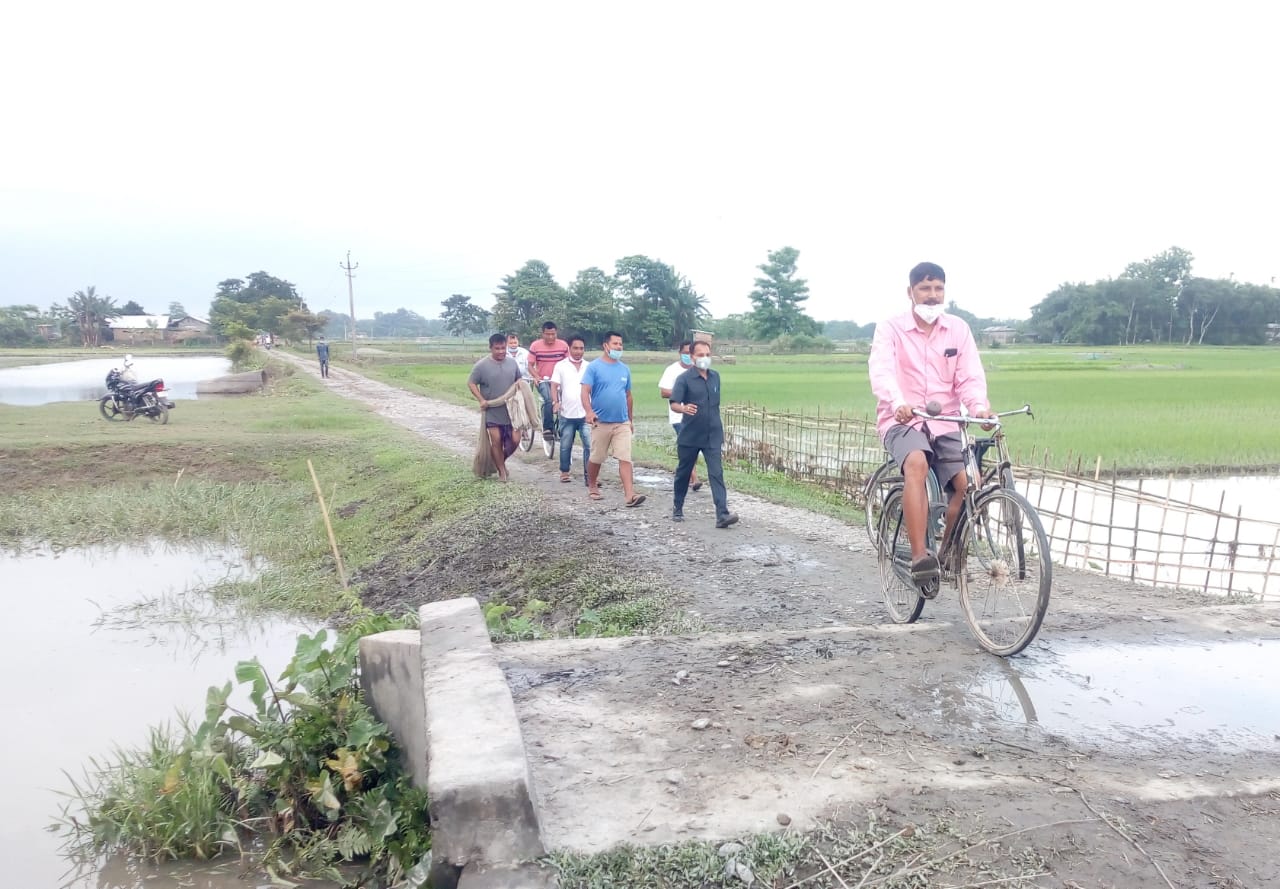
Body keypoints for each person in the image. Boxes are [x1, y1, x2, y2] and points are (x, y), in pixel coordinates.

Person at [868, 261, 993, 591]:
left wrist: (978, 406)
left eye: (938, 289)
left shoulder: (958, 330)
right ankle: (921, 558)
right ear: (910, 292)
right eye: (925, 289)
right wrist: (897, 402)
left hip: (947, 421)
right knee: (917, 463)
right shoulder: (891, 329)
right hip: (902, 420)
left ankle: (947, 550)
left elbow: (969, 376)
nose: (932, 296)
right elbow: (882, 372)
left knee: (969, 485)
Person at [669, 340, 738, 528]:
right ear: (692, 357)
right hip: (690, 434)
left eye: (707, 354)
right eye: (700, 355)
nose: (705, 358)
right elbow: (674, 402)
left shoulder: (715, 377)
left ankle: (722, 514)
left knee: (716, 473)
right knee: (684, 472)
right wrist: (683, 408)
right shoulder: (684, 379)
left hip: (713, 433)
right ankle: (677, 507)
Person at [581, 331, 646, 507]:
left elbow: (628, 396)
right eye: (615, 344)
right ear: (606, 346)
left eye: (621, 344)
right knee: (597, 457)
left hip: (622, 422)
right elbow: (585, 391)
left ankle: (630, 495)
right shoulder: (594, 367)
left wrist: (630, 420)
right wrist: (588, 411)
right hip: (601, 421)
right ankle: (593, 485)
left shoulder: (624, 369)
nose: (619, 347)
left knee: (625, 457)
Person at [469, 333, 523, 481]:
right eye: (497, 348)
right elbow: (471, 383)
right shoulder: (481, 366)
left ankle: (498, 461)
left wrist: (520, 388)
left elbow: (519, 379)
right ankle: (502, 472)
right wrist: (481, 399)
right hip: (492, 409)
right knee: (496, 440)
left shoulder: (512, 363)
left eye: (503, 348)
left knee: (515, 440)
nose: (500, 351)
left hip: (511, 409)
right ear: (490, 348)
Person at [658, 340, 702, 492]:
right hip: (679, 416)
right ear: (680, 353)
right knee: (688, 446)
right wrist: (683, 392)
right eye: (685, 353)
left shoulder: (700, 370)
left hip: (697, 417)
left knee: (694, 447)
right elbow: (664, 392)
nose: (688, 356)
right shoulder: (672, 370)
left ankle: (685, 473)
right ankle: (694, 478)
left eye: (690, 353)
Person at [550, 334, 591, 484]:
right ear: (569, 348)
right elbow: (554, 385)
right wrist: (556, 402)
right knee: (566, 444)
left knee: (590, 445)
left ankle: (590, 476)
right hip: (567, 413)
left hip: (586, 414)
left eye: (581, 348)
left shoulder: (589, 366)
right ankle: (565, 471)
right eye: (575, 348)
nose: (578, 351)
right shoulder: (561, 366)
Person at [528, 321, 569, 440]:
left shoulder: (563, 345)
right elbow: (530, 365)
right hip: (544, 380)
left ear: (556, 333)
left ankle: (565, 426)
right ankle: (548, 428)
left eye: (553, 334)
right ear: (542, 334)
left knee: (569, 399)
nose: (550, 337)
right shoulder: (535, 346)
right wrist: (536, 376)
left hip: (560, 380)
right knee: (549, 399)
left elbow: (567, 363)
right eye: (547, 334)